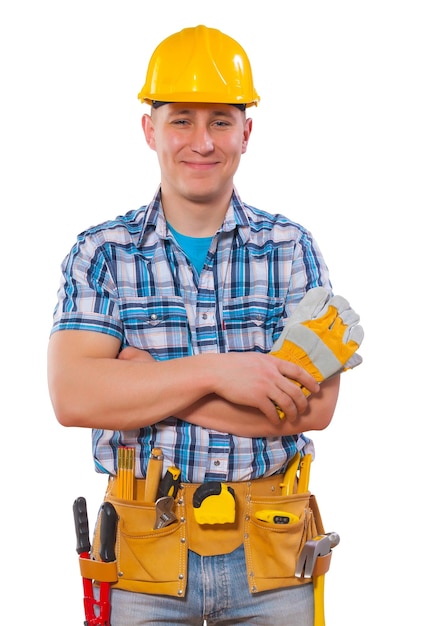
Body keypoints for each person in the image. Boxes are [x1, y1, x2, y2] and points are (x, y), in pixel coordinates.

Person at [48, 24, 354, 626]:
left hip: (273, 555)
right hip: (141, 557)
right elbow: (74, 395)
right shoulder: (102, 253)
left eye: (220, 119)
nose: (202, 141)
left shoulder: (291, 249)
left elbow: (314, 408)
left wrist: (145, 382)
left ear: (247, 132)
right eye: (181, 118)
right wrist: (223, 373)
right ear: (149, 130)